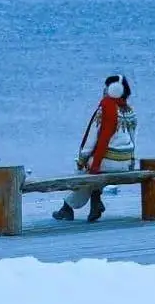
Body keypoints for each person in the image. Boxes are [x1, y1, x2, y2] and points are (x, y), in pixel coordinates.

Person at [53, 74, 136, 223]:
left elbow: (92, 139)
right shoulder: (129, 110)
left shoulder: (104, 108)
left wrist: (82, 159)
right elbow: (133, 139)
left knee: (84, 169)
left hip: (108, 160)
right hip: (124, 162)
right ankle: (95, 201)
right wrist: (131, 161)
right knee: (94, 171)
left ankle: (67, 207)